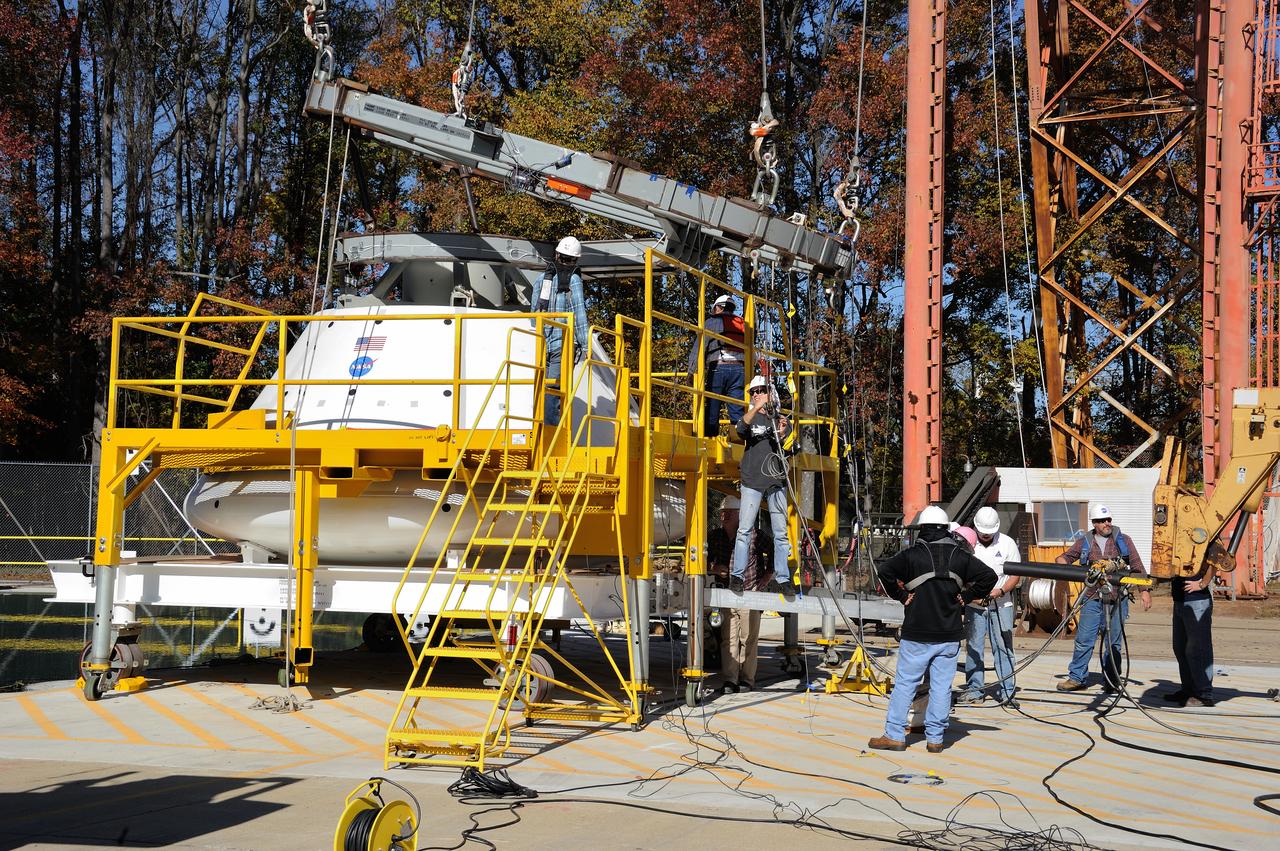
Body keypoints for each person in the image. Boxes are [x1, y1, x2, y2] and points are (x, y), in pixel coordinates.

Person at [869, 505, 997, 753]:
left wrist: (901, 595)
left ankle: (895, 735)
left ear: (922, 530)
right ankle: (935, 738)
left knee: (906, 684)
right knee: (941, 687)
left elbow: (884, 571)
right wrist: (968, 595)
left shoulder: (912, 555)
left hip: (917, 633)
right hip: (949, 635)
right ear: (946, 530)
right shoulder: (961, 557)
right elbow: (989, 577)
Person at [1055, 502, 1151, 693]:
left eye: (1108, 519)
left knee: (1113, 642)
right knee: (1084, 639)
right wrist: (1061, 564)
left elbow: (1138, 567)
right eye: (1102, 520)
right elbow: (1065, 557)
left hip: (1117, 599)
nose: (1107, 523)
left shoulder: (1124, 540)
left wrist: (1145, 591)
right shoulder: (1085, 541)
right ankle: (1077, 678)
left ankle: (1112, 681)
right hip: (1091, 598)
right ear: (1094, 523)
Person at [729, 375, 793, 595]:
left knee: (781, 533)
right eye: (752, 391)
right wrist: (756, 408)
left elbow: (787, 443)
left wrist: (783, 432)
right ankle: (737, 576)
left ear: (770, 392)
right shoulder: (751, 417)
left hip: (776, 481)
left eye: (760, 390)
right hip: (752, 480)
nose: (756, 394)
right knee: (744, 530)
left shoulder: (781, 420)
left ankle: (784, 579)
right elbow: (740, 430)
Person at [956, 507, 1021, 707]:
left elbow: (1015, 574)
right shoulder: (968, 545)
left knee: (1003, 647)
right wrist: (971, 597)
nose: (985, 535)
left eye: (989, 532)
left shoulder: (1007, 543)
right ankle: (975, 690)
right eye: (982, 531)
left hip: (1001, 605)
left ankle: (1007, 692)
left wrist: (1000, 591)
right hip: (975, 606)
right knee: (974, 647)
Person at [708, 496, 767, 694]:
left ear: (739, 515)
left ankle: (747, 679)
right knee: (729, 639)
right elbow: (701, 559)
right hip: (727, 594)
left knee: (748, 638)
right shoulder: (715, 537)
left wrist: (766, 580)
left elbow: (777, 552)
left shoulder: (754, 536)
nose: (724, 516)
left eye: (729, 513)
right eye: (722, 513)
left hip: (750, 593)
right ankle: (730, 680)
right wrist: (714, 568)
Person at [532, 235, 591, 424]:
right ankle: (552, 434)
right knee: (556, 390)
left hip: (542, 343)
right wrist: (586, 345)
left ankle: (539, 429)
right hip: (562, 344)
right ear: (575, 259)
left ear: (557, 254)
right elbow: (579, 313)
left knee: (541, 388)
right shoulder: (573, 279)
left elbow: (534, 317)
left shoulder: (542, 279)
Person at [687, 294, 747, 437]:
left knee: (712, 409)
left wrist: (691, 371)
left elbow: (699, 348)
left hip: (718, 368)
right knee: (737, 410)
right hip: (740, 370)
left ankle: (709, 439)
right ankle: (738, 441)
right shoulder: (744, 324)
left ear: (719, 307)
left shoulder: (711, 322)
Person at [1168, 565, 1217, 706]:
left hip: (1197, 600)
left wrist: (1202, 583)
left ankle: (1204, 694)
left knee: (1198, 649)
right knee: (1180, 647)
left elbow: (1217, 562)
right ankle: (1188, 689)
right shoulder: (1181, 543)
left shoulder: (1206, 541)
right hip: (1180, 600)